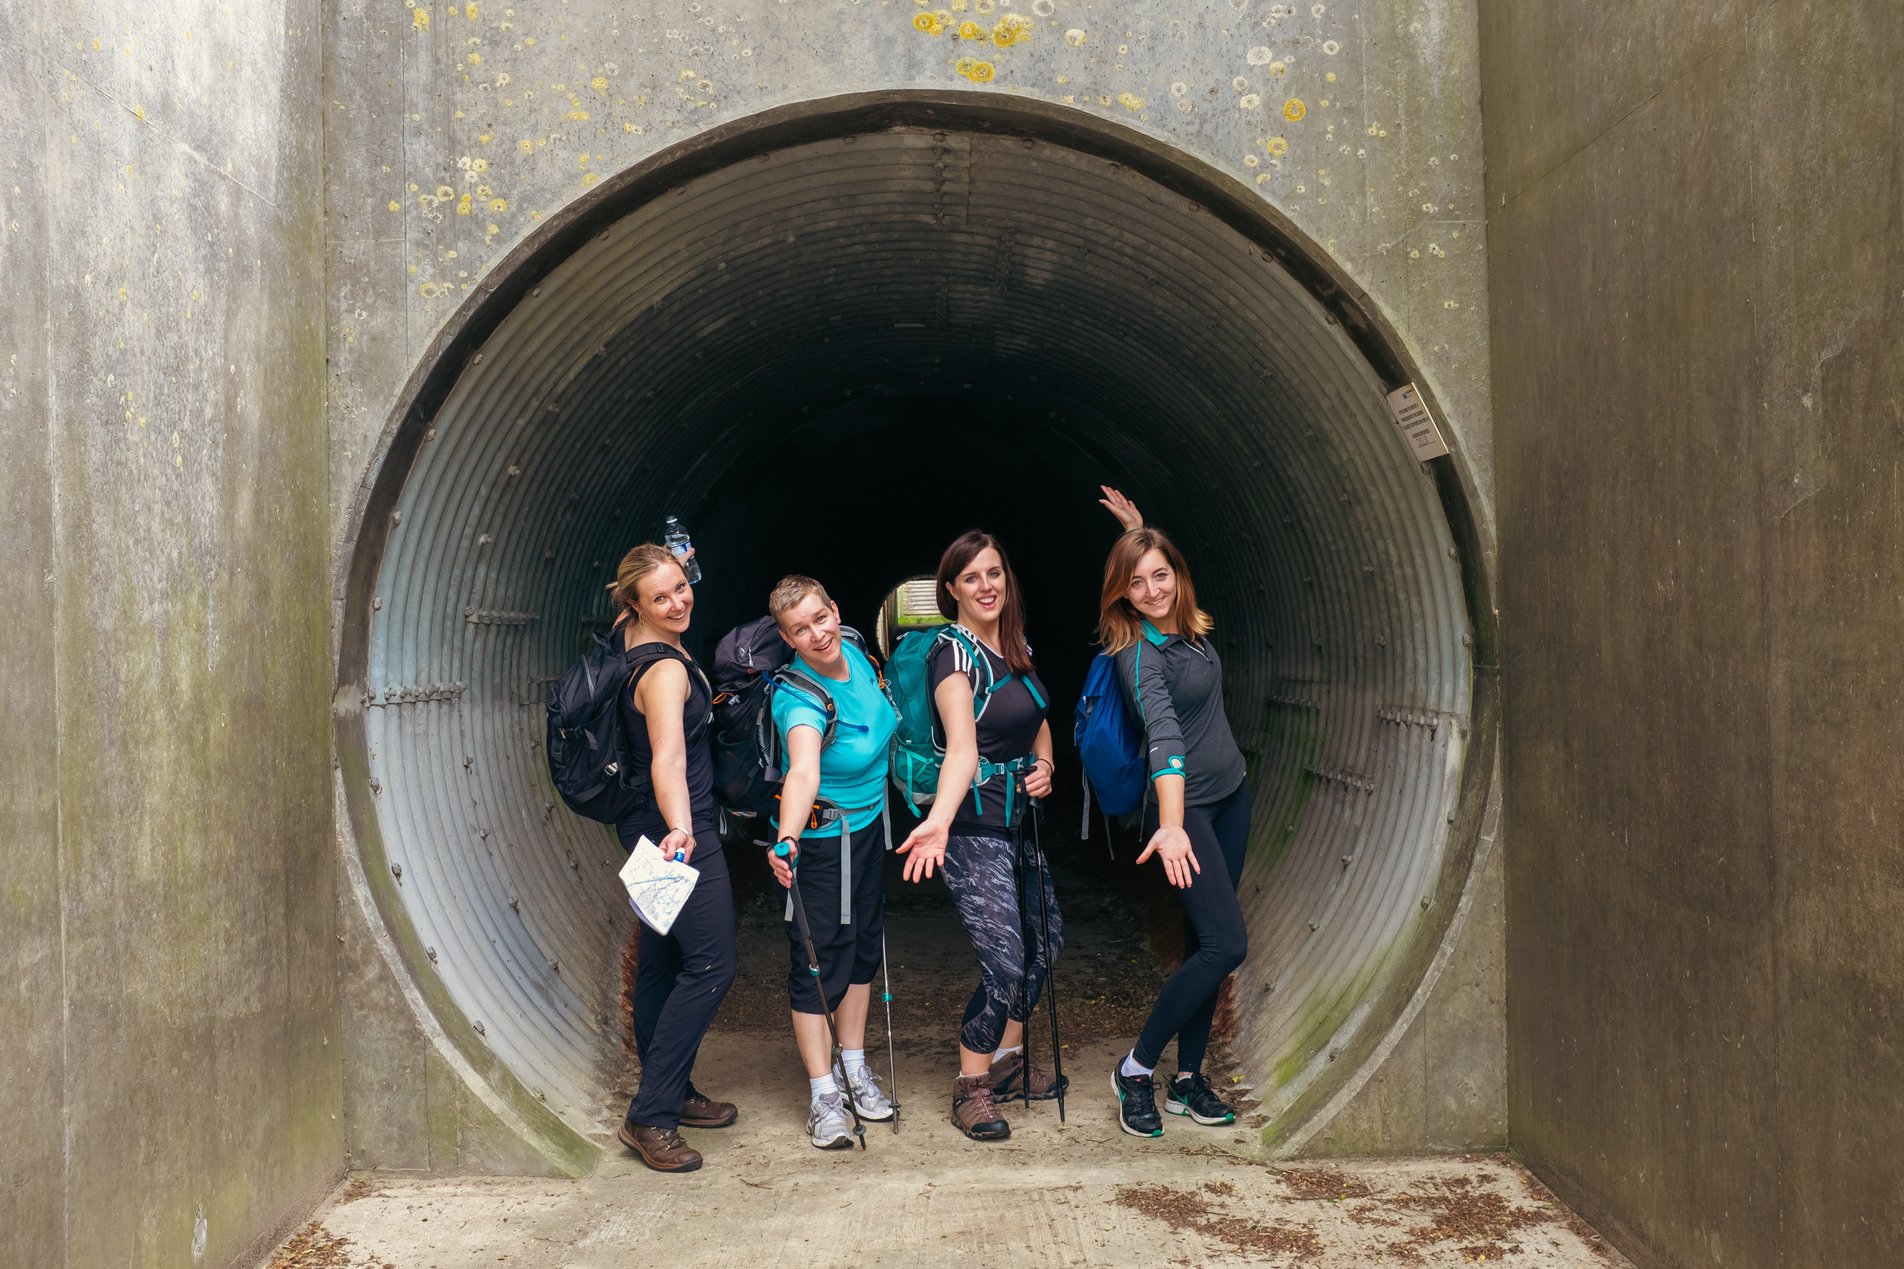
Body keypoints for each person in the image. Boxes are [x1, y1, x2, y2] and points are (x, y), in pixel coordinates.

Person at [894, 532, 1062, 1142]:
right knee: (1006, 961)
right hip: (971, 824)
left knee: (1046, 945)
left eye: (994, 573)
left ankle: (1009, 1062)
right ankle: (972, 1084)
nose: (986, 586)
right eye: (971, 578)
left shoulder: (1015, 644)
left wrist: (1045, 764)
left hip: (1021, 821)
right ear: (951, 591)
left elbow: (1036, 717)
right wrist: (937, 821)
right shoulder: (953, 656)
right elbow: (962, 749)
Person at [1097, 487, 1249, 1137]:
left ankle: (1188, 1080)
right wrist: (1168, 820)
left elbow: (1162, 573)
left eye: (1162, 574)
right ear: (1123, 594)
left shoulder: (1188, 628)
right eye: (1139, 581)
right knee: (1227, 943)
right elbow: (1163, 736)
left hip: (1233, 794)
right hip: (1184, 811)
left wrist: (1139, 530)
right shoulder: (1138, 654)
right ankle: (1136, 1068)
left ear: (1178, 577)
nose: (1154, 589)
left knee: (1202, 942)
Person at [607, 544, 738, 1173]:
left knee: (662, 960)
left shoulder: (631, 640)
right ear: (635, 604)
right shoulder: (665, 672)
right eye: (661, 597)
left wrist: (676, 556)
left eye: (682, 587)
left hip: (644, 824)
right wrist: (684, 827)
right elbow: (668, 757)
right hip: (675, 830)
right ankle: (651, 1114)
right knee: (712, 962)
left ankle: (674, 1091)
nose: (678, 602)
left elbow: (662, 587)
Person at [764, 575, 901, 1149]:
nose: (817, 634)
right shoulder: (797, 696)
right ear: (786, 637)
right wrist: (788, 838)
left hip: (867, 831)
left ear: (835, 611)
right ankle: (824, 1093)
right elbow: (803, 770)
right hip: (818, 844)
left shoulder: (855, 651)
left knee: (863, 951)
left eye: (821, 618)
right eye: (800, 629)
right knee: (818, 963)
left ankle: (853, 1065)